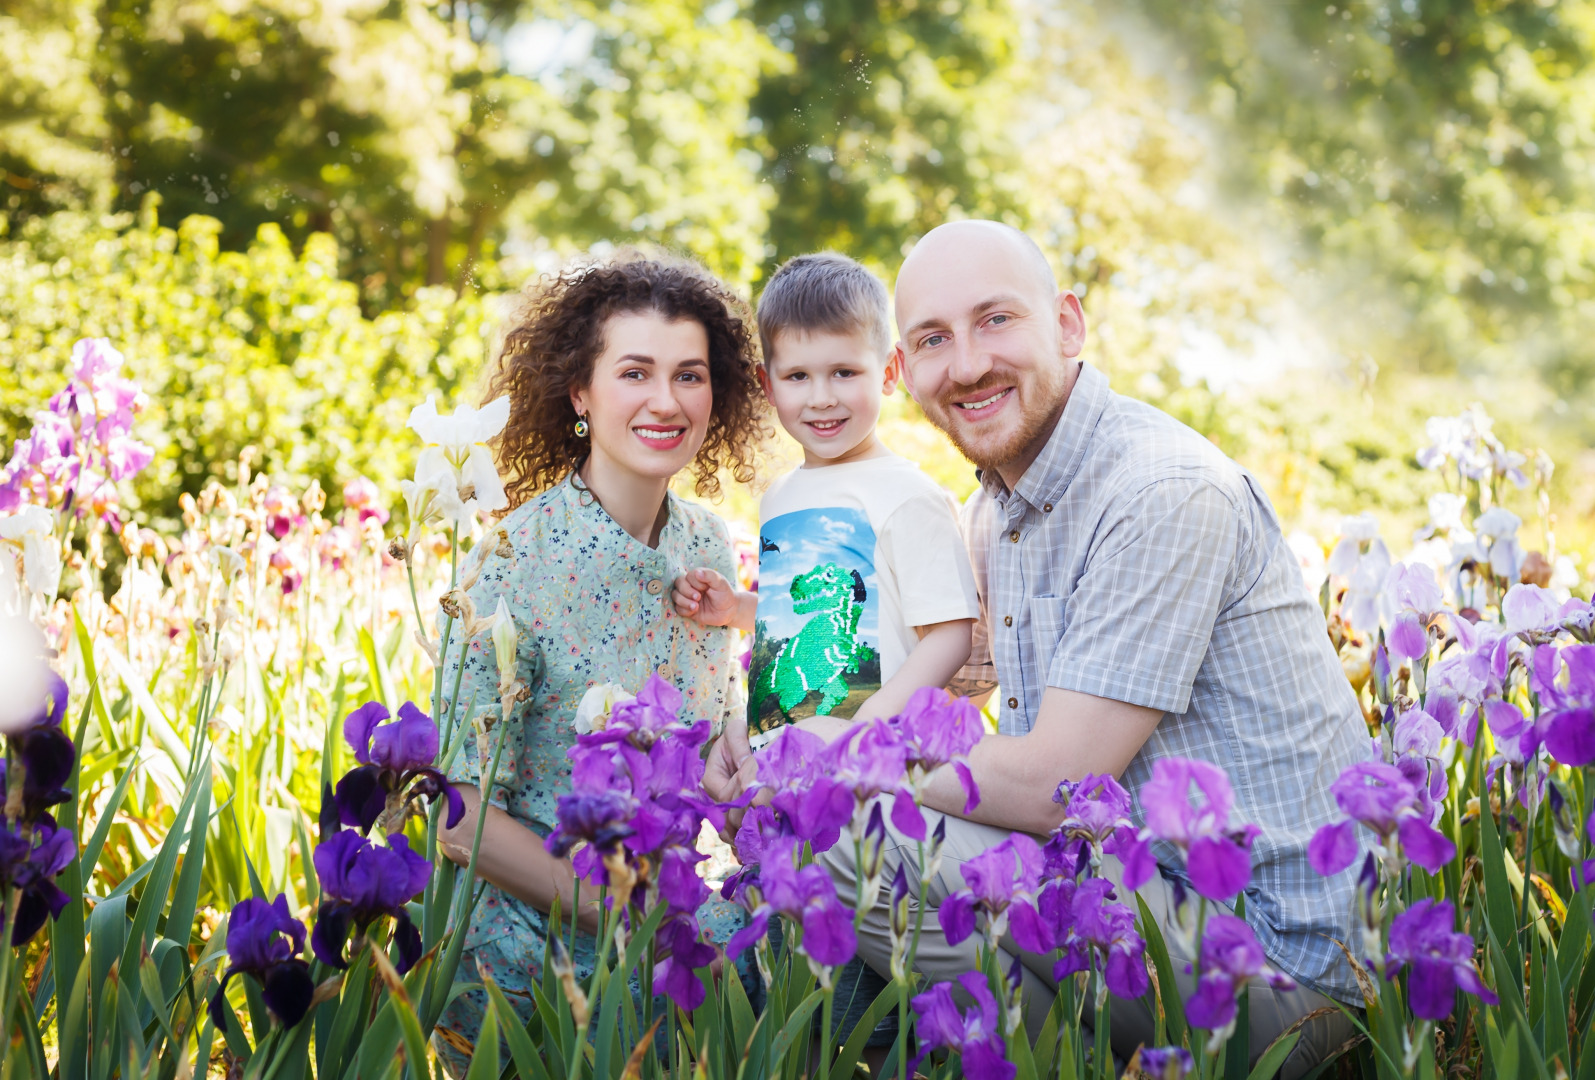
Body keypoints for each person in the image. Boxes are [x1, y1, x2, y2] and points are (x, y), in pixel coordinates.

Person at [705, 222, 1370, 1079]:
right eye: (934, 339)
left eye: (996, 321)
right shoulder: (994, 511)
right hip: (1135, 903)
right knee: (818, 810)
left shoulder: (1157, 492)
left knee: (833, 821)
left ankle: (1035, 1055)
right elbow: (904, 671)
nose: (968, 364)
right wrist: (755, 728)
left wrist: (826, 754)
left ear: (1066, 325)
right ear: (907, 369)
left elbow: (1059, 792)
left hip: (1278, 977)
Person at [430, 254, 768, 1076]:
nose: (666, 400)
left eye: (689, 374)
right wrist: (635, 915)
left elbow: (711, 718)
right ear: (580, 393)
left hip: (673, 910)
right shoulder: (508, 561)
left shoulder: (704, 543)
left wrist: (735, 752)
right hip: (528, 938)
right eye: (634, 373)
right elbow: (458, 819)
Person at [672, 251, 981, 1052]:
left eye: (843, 372)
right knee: (786, 1001)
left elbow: (949, 631)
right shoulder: (783, 498)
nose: (822, 398)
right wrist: (738, 609)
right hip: (788, 784)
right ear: (767, 382)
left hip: (868, 796)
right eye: (799, 376)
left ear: (888, 371)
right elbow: (812, 618)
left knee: (853, 1008)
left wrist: (867, 729)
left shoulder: (908, 496)